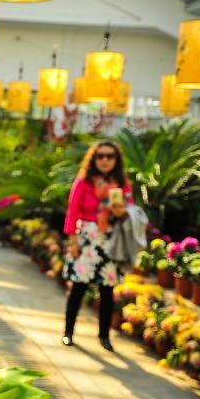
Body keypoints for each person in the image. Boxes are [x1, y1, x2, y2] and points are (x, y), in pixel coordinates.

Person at [62, 140, 133, 352]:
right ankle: (68, 332)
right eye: (100, 156)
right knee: (78, 288)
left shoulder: (122, 184)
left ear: (116, 160)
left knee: (107, 291)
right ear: (93, 159)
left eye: (110, 156)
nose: (104, 160)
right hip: (86, 238)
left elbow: (129, 212)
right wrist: (73, 241)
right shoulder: (84, 181)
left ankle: (104, 336)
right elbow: (72, 210)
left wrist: (120, 211)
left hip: (111, 239)